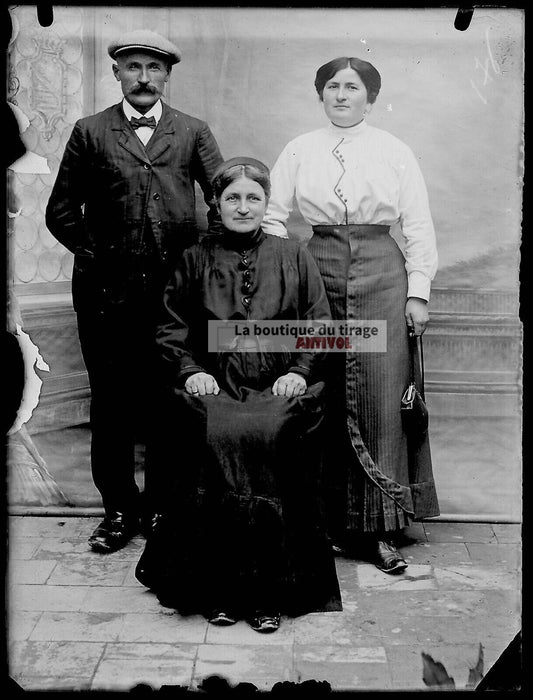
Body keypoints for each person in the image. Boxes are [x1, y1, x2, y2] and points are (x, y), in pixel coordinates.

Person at [135, 157, 342, 633]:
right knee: (217, 429)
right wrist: (189, 371)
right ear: (216, 202)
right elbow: (170, 328)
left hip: (279, 385)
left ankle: (268, 592)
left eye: (253, 198)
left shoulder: (294, 256)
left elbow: (320, 324)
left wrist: (298, 370)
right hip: (217, 384)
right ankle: (220, 591)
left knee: (267, 430)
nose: (243, 207)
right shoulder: (195, 257)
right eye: (233, 198)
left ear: (267, 204)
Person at [45, 30, 223, 553]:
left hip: (175, 301)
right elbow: (59, 212)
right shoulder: (89, 131)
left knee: (172, 404)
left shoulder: (192, 131)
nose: (143, 78)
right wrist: (101, 257)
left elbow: (222, 200)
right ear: (117, 73)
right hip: (106, 299)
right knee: (114, 406)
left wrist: (199, 265)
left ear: (167, 75)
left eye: (154, 68)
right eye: (133, 68)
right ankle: (119, 511)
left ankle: (166, 507)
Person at [262, 56, 440, 574]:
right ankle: (324, 522)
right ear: (322, 95)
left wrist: (418, 291)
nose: (342, 95)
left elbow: (419, 224)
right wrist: (289, 270)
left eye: (353, 87)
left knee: (382, 397)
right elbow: (273, 216)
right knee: (323, 390)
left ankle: (381, 528)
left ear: (371, 97)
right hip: (316, 269)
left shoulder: (394, 150)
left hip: (383, 270)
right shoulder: (299, 148)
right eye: (333, 87)